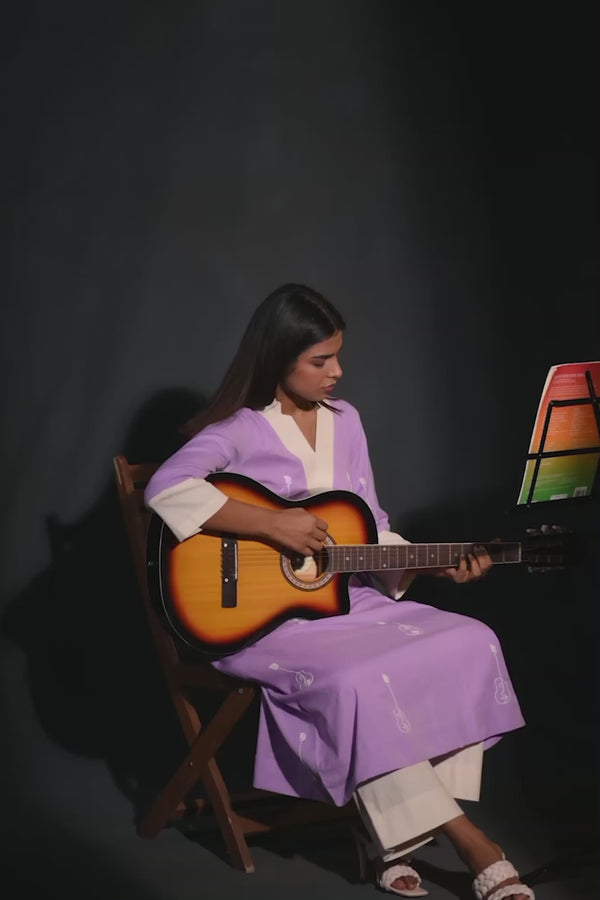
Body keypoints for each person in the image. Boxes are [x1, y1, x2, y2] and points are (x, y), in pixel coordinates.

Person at [145, 284, 533, 900]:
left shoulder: (345, 421)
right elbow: (166, 488)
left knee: (469, 640)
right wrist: (272, 524)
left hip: (345, 600)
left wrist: (430, 564)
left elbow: (370, 523)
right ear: (278, 358)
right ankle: (470, 842)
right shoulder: (241, 430)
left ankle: (391, 840)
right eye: (320, 360)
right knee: (359, 682)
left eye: (337, 356)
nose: (337, 371)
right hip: (266, 621)